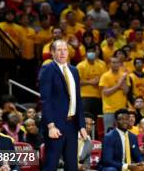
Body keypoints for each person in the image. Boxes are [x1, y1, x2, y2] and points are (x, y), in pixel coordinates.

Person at [38, 39, 89, 171]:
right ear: (53, 53)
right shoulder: (47, 69)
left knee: (72, 166)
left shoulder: (74, 70)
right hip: (56, 125)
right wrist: (51, 126)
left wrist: (82, 125)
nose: (62, 53)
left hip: (72, 125)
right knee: (51, 164)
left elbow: (77, 99)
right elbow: (45, 100)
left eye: (65, 50)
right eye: (59, 50)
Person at [99, 57, 129, 132]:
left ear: (120, 64)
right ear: (109, 64)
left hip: (122, 109)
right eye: (113, 62)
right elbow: (106, 93)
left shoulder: (123, 75)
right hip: (109, 109)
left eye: (117, 62)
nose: (115, 64)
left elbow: (126, 91)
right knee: (109, 131)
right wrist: (118, 85)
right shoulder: (105, 76)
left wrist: (123, 81)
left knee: (123, 131)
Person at [77, 46, 107, 118]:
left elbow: (105, 79)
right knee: (85, 118)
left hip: (99, 96)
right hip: (85, 97)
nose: (91, 53)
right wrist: (91, 82)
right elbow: (76, 81)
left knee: (98, 119)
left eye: (93, 52)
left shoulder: (101, 65)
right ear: (86, 53)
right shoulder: (80, 66)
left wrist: (99, 82)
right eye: (89, 52)